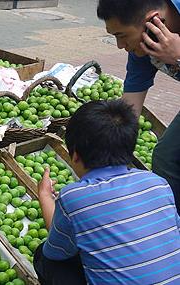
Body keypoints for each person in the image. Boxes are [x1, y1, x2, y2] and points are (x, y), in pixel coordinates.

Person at [33, 100, 180, 285]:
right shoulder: (158, 183)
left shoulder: (74, 197)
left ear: (75, 154)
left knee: (44, 259)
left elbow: (54, 251)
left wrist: (45, 196)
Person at [97, 0, 180, 213]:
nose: (119, 46)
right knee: (166, 157)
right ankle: (168, 224)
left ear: (152, 20)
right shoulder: (145, 43)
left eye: (121, 35)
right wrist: (110, 157)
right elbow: (130, 104)